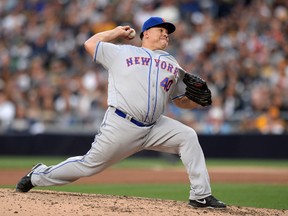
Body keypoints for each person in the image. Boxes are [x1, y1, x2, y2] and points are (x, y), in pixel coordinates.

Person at [16, 17, 226, 209]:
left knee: (188, 136)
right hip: (122, 124)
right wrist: (116, 32)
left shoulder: (172, 64)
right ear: (146, 34)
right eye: (161, 30)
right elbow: (90, 44)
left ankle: (200, 195)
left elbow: (181, 102)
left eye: (167, 32)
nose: (165, 34)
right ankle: (38, 175)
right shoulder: (123, 51)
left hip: (155, 126)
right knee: (88, 166)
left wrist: (196, 102)